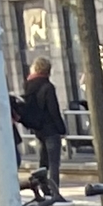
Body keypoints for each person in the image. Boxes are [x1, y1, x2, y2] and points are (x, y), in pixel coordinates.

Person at [13, 59, 66, 198]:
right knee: (54, 162)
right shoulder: (48, 87)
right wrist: (62, 129)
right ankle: (55, 192)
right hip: (51, 129)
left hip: (38, 128)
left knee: (43, 160)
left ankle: (43, 188)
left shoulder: (29, 85)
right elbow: (53, 110)